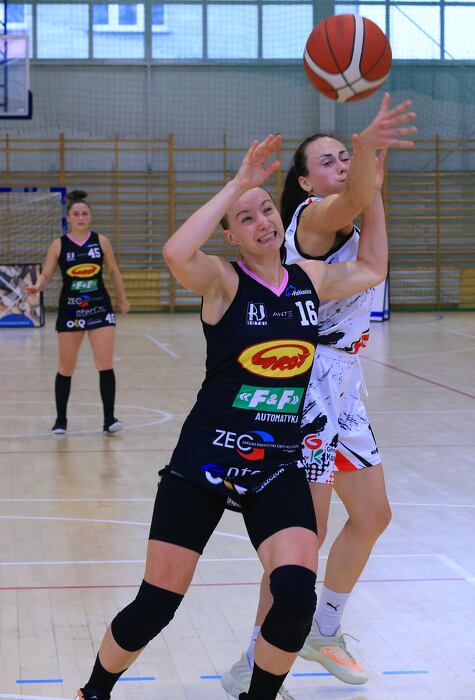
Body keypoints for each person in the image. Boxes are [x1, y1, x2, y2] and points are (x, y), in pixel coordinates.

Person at [75, 95, 414, 700]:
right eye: (246, 217)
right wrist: (238, 183)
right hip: (207, 458)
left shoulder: (308, 281)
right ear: (231, 235)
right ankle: (93, 691)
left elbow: (372, 267)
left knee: (295, 595)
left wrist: (377, 188)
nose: (263, 221)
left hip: (273, 463)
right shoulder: (223, 281)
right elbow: (176, 253)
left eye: (266, 211)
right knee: (156, 603)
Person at [222, 120, 413, 696]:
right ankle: (253, 660)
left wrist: (370, 176)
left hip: (344, 383)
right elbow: (351, 199)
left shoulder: (356, 211)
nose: (341, 164)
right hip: (308, 383)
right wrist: (367, 159)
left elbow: (374, 259)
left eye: (344, 156)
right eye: (327, 161)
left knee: (373, 515)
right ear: (305, 183)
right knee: (302, 535)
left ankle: (322, 629)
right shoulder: (311, 220)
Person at [24, 190, 129, 435]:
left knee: (105, 362)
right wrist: (37, 286)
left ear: (90, 217)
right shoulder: (58, 245)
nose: (80, 217)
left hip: (99, 306)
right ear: (68, 218)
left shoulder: (101, 241)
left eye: (84, 213)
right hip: (71, 308)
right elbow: (47, 274)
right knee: (66, 367)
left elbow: (113, 271)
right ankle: (61, 420)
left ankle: (109, 419)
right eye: (76, 214)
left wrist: (122, 298)